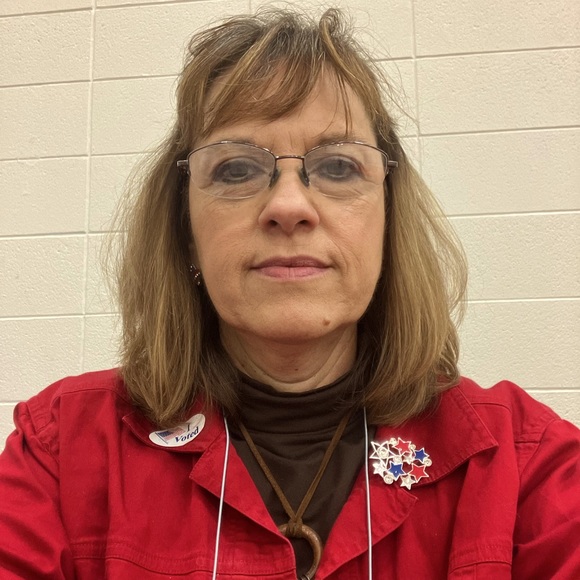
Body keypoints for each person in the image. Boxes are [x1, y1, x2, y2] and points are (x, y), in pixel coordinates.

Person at [0, 8, 578, 580]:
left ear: (388, 220)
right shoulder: (61, 451)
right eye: (235, 170)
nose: (289, 206)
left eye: (338, 167)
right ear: (185, 230)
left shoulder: (524, 465)